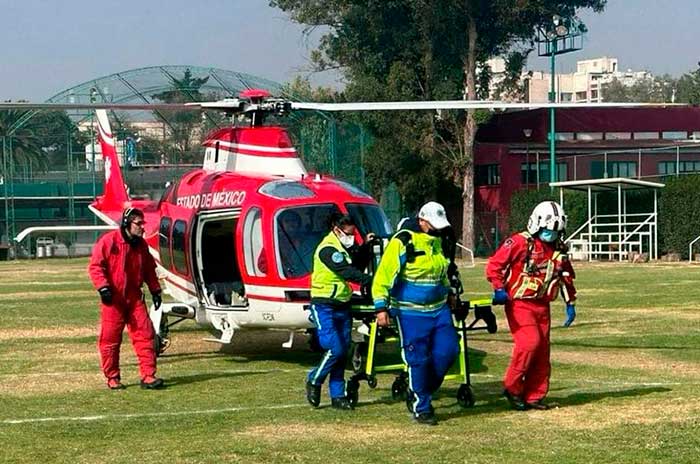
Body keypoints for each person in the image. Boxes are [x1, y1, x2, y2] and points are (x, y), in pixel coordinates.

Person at [372, 201, 459, 425]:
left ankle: (421, 389)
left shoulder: (438, 241)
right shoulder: (403, 241)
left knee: (448, 352)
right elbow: (384, 275)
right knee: (417, 359)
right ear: (422, 220)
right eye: (433, 224)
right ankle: (422, 407)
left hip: (439, 310)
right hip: (411, 313)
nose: (438, 228)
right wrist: (381, 307)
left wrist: (449, 291)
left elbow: (442, 271)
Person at [486, 201, 577, 411]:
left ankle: (534, 395)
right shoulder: (519, 243)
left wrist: (570, 302)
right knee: (530, 343)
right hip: (520, 304)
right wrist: (499, 288)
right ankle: (512, 388)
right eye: (547, 231)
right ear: (536, 225)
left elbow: (566, 276)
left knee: (542, 351)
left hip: (542, 305)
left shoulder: (558, 250)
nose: (550, 235)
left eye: (555, 232)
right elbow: (495, 265)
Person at [88, 207, 165, 390]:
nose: (142, 227)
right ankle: (112, 377)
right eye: (138, 224)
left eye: (142, 223)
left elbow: (148, 270)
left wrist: (155, 290)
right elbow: (96, 267)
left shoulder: (141, 245)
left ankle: (148, 376)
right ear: (127, 224)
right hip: (113, 300)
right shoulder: (108, 242)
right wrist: (103, 288)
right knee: (110, 339)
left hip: (134, 298)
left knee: (146, 335)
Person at [306, 213, 374, 410]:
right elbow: (347, 272)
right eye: (348, 233)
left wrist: (364, 248)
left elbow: (355, 265)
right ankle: (314, 379)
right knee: (334, 348)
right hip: (324, 305)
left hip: (342, 304)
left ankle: (338, 395)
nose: (351, 236)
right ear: (336, 229)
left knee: (342, 351)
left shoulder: (342, 247)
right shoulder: (328, 249)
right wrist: (373, 281)